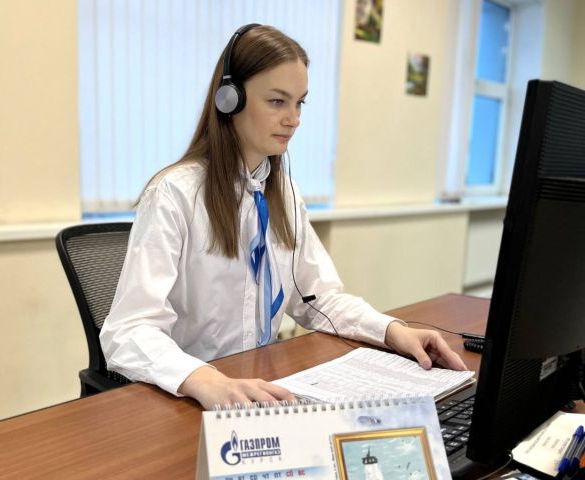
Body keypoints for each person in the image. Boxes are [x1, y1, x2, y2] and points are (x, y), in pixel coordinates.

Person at [100, 24, 467, 410]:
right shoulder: (175, 194)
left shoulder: (284, 194)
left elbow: (318, 298)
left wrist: (392, 331)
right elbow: (129, 330)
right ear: (229, 100)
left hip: (260, 387)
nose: (294, 119)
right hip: (189, 398)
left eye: (300, 103)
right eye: (277, 102)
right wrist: (205, 379)